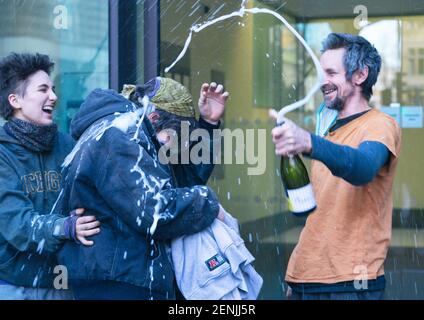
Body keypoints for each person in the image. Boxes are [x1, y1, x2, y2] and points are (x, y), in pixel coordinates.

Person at [56, 77, 229, 300]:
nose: (175, 149)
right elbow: (154, 210)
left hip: (122, 278)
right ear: (154, 117)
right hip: (117, 285)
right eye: (175, 139)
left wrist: (208, 124)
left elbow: (182, 182)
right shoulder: (117, 136)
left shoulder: (134, 132)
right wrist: (208, 203)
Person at [270, 33, 402, 300]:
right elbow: (305, 207)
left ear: (360, 75)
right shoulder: (328, 133)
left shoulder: (379, 125)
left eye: (331, 73)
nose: (322, 82)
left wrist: (308, 142)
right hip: (304, 279)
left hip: (350, 283)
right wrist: (297, 275)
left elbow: (362, 168)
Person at [0, 53, 100, 300]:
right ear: (15, 100)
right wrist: (65, 226)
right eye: (43, 89)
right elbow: (18, 224)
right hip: (13, 287)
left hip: (64, 284)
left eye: (53, 89)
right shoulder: (2, 154)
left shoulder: (68, 146)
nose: (53, 97)